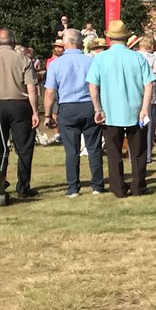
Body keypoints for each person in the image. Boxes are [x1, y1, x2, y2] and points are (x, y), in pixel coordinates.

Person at [86, 19, 153, 198]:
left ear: (109, 39)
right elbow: (149, 85)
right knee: (138, 152)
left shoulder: (100, 58)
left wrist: (97, 109)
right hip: (136, 111)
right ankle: (138, 187)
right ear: (126, 38)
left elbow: (92, 86)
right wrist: (145, 108)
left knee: (114, 153)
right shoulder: (138, 57)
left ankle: (118, 188)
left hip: (110, 113)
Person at [43, 29, 104, 197]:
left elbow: (50, 92)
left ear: (67, 42)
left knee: (71, 150)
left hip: (67, 108)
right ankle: (97, 185)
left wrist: (48, 115)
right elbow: (99, 86)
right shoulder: (91, 61)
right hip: (89, 105)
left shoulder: (56, 64)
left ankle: (73, 188)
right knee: (94, 148)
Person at [0, 28, 40, 204]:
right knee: (24, 148)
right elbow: (31, 88)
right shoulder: (24, 59)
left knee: (0, 148)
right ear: (13, 41)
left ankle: (0, 183)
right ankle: (23, 187)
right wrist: (35, 111)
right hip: (19, 105)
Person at [133, 35, 156, 162]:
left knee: (134, 128)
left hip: (134, 96)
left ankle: (133, 155)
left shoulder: (133, 56)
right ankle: (146, 156)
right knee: (148, 126)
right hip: (149, 97)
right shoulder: (152, 58)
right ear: (152, 46)